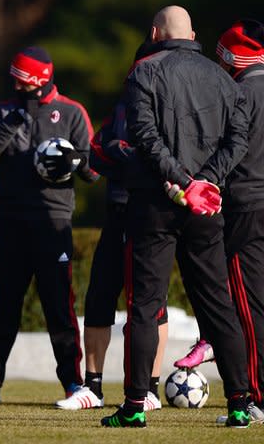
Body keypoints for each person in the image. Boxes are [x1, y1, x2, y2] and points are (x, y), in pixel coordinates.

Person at [101, 5, 251, 428]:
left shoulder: (143, 73)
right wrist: (203, 183)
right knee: (219, 305)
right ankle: (240, 402)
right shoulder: (223, 77)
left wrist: (180, 180)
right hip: (205, 206)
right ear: (194, 34)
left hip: (155, 203)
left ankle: (135, 405)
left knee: (145, 306)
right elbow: (238, 141)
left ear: (153, 32)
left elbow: (144, 138)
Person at [0, 46, 98, 406]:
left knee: (58, 307)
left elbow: (93, 170)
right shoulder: (4, 110)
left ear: (40, 79)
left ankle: (73, 384)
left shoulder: (73, 112)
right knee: (4, 309)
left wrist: (72, 160)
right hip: (10, 222)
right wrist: (13, 121)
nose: (14, 83)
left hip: (53, 223)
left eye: (21, 78)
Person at [56, 39, 168, 411]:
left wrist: (127, 155)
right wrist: (119, 154)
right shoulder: (122, 107)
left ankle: (149, 387)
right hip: (117, 211)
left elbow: (157, 156)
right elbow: (98, 152)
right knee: (99, 298)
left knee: (150, 304)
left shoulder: (167, 105)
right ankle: (93, 386)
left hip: (150, 214)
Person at [213, 19, 264, 424]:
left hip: (245, 206)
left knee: (248, 308)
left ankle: (256, 396)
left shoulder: (238, 94)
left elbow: (231, 149)